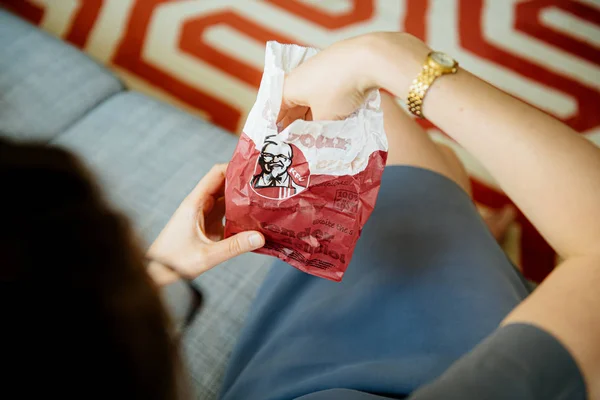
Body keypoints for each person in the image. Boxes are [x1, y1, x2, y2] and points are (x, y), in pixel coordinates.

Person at [4, 31, 599, 399]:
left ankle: (472, 238)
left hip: (293, 359)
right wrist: (390, 57)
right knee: (396, 138)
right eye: (130, 258)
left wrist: (160, 271)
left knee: (417, 172)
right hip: (431, 365)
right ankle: (482, 255)